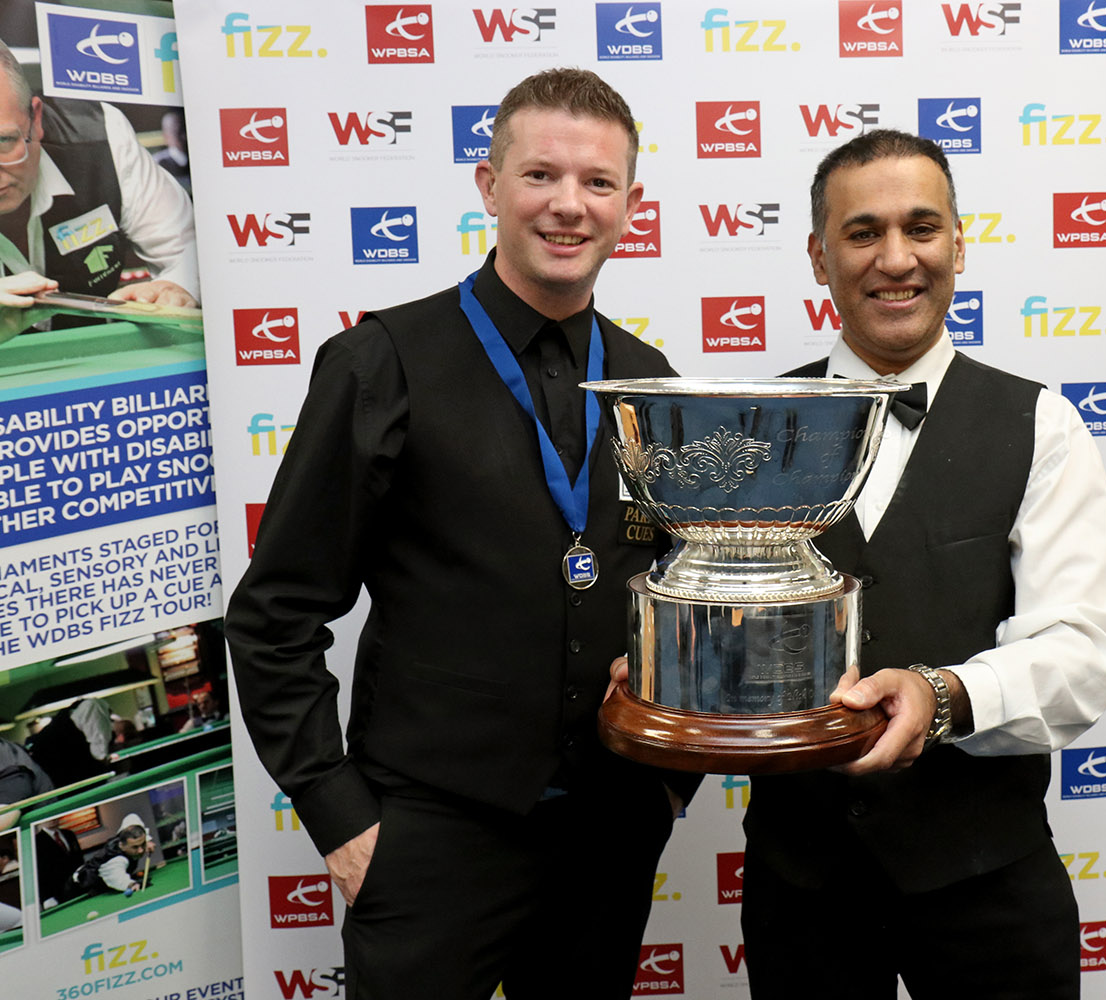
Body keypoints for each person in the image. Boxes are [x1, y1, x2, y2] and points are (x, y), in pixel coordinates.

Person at [226, 68, 697, 1000]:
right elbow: (275, 614)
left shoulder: (651, 380)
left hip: (607, 838)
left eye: (598, 183)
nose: (569, 205)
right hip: (426, 843)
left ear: (631, 206)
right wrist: (342, 818)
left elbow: (676, 599)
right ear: (489, 186)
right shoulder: (381, 361)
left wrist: (667, 790)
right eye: (540, 176)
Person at [737, 130, 1106, 999]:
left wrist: (941, 695)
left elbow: (1083, 651)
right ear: (818, 255)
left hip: (989, 880)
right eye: (862, 232)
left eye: (922, 227)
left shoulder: (1042, 426)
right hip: (800, 888)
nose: (896, 259)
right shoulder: (747, 429)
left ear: (960, 241)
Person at [0, 40, 198, 316]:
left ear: (35, 119)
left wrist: (176, 287)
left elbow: (189, 250)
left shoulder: (100, 135)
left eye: (3, 141)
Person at [67, 812, 156, 897]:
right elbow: (118, 878)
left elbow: (132, 817)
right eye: (135, 847)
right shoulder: (116, 860)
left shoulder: (124, 835)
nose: (141, 850)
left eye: (142, 844)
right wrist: (131, 884)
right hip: (78, 889)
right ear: (122, 845)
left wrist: (147, 840)